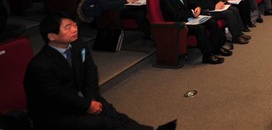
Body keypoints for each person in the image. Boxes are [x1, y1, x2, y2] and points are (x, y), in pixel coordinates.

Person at [23, 12, 176, 130]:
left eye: (74, 25)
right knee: (104, 123)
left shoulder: (78, 45)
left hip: (84, 98)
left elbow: (91, 72)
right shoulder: (41, 65)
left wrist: (91, 99)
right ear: (52, 36)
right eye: (67, 27)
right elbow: (58, 97)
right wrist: (86, 105)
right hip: (58, 113)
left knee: (115, 115)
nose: (74, 29)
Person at [160, 0, 229, 64]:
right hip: (179, 23)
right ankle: (207, 56)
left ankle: (217, 48)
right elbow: (176, 15)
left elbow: (192, 3)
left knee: (211, 21)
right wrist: (192, 12)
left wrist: (197, 7)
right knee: (200, 28)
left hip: (191, 18)